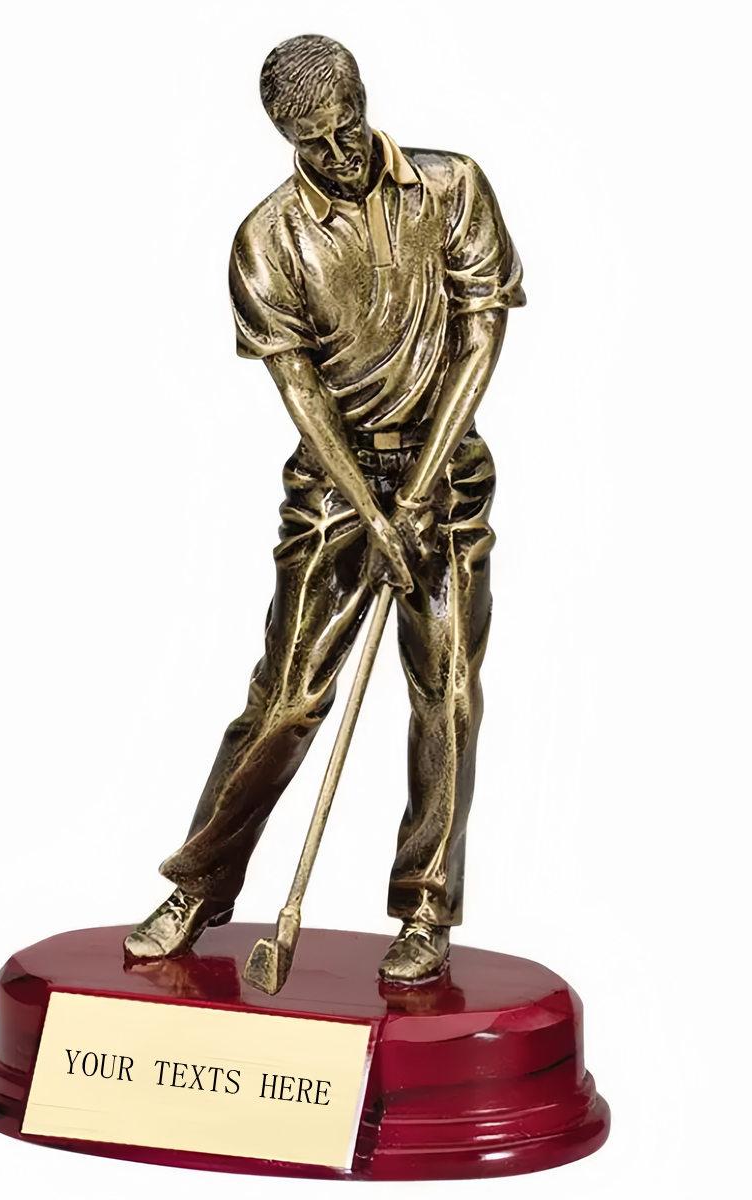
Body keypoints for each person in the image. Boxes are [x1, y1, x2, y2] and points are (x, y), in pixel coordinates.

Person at [125, 33, 525, 982]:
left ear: (363, 99)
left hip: (444, 476)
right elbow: (301, 392)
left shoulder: (453, 187)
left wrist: (417, 496)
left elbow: (480, 337)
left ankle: (425, 908)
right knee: (288, 698)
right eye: (313, 142)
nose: (339, 154)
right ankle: (202, 882)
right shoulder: (267, 239)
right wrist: (374, 516)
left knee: (448, 692)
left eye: (346, 128)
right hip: (332, 490)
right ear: (284, 136)